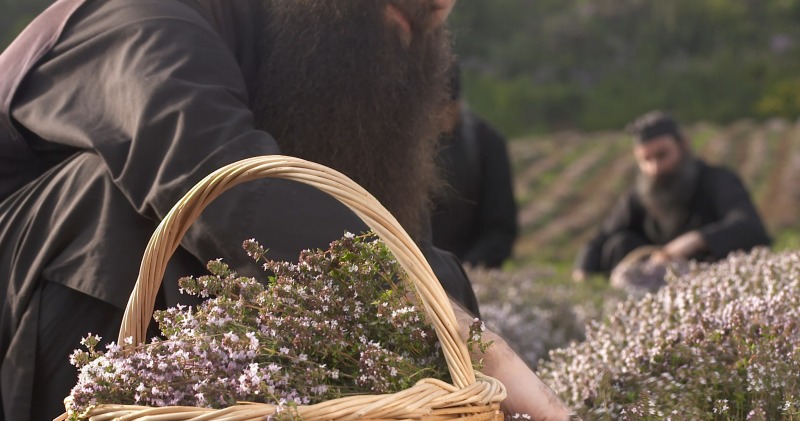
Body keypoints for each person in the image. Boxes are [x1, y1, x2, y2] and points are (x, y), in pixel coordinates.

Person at [0, 0, 574, 420]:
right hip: (29, 297)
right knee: (154, 206)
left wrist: (462, 331)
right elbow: (212, 177)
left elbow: (396, 245)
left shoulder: (337, 61)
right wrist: (473, 341)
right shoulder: (147, 13)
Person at [572, 111, 772, 283]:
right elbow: (602, 237)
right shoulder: (640, 193)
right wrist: (582, 275)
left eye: (662, 155)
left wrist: (695, 240)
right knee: (618, 243)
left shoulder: (717, 180)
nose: (655, 168)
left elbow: (748, 225)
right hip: (649, 283)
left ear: (683, 146)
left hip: (706, 277)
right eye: (646, 160)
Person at [431, 64, 518, 268]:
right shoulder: (404, 144)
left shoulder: (486, 143)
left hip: (467, 269)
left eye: (447, 109)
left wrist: (467, 267)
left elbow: (501, 227)